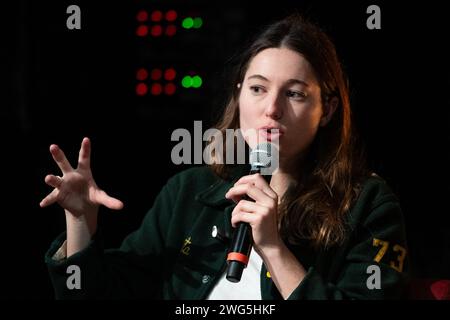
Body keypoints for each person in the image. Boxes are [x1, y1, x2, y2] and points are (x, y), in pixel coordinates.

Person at [41, 14, 409, 299]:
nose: (272, 109)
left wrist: (273, 248)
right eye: (258, 88)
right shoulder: (190, 191)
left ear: (327, 109)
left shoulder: (367, 204)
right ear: (239, 94)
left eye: (294, 94)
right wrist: (79, 222)